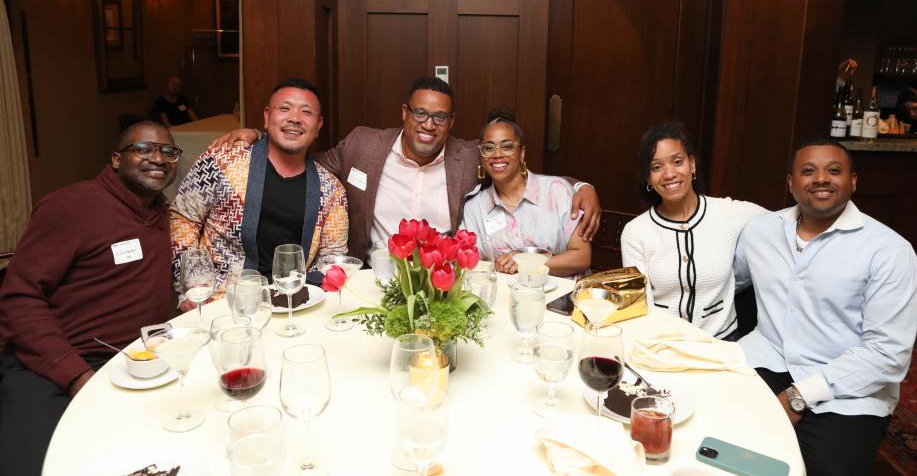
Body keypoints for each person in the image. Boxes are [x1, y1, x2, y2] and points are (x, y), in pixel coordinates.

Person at [212, 77, 601, 259]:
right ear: (404, 113)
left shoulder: (467, 156)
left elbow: (513, 164)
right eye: (419, 113)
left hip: (442, 277)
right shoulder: (363, 145)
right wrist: (261, 138)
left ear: (452, 123)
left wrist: (582, 184)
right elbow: (307, 164)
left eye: (440, 118)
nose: (428, 125)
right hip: (373, 273)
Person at [0, 122, 179, 476]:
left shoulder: (163, 213)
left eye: (169, 152)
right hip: (53, 366)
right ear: (116, 159)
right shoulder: (71, 206)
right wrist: (75, 374)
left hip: (134, 364)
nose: (158, 158)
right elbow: (19, 298)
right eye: (143, 149)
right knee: (46, 466)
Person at [733, 138, 917, 476]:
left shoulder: (889, 251)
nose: (821, 178)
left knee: (822, 469)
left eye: (834, 170)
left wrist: (797, 396)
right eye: (808, 171)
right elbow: (729, 280)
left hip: (848, 387)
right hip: (766, 361)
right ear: (791, 183)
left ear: (853, 181)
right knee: (719, 449)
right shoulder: (761, 231)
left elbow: (887, 353)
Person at [169, 78, 348, 306]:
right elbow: (183, 218)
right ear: (266, 117)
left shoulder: (331, 190)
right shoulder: (223, 161)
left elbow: (332, 257)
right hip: (221, 301)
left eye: (306, 112)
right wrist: (191, 286)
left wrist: (310, 294)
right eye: (284, 108)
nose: (294, 118)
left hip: (295, 305)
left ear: (319, 126)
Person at [620, 122, 766, 340]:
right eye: (656, 167)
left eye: (677, 162)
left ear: (692, 164)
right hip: (662, 344)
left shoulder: (729, 213)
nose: (669, 174)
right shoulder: (636, 232)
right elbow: (640, 306)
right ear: (648, 178)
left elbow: (781, 222)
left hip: (721, 343)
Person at [462, 107, 590, 276]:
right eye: (489, 148)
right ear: (482, 156)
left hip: (562, 297)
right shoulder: (474, 208)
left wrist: (525, 262)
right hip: (505, 297)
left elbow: (582, 257)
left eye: (507, 146)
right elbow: (471, 265)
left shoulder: (556, 191)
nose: (497, 154)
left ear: (521, 153)